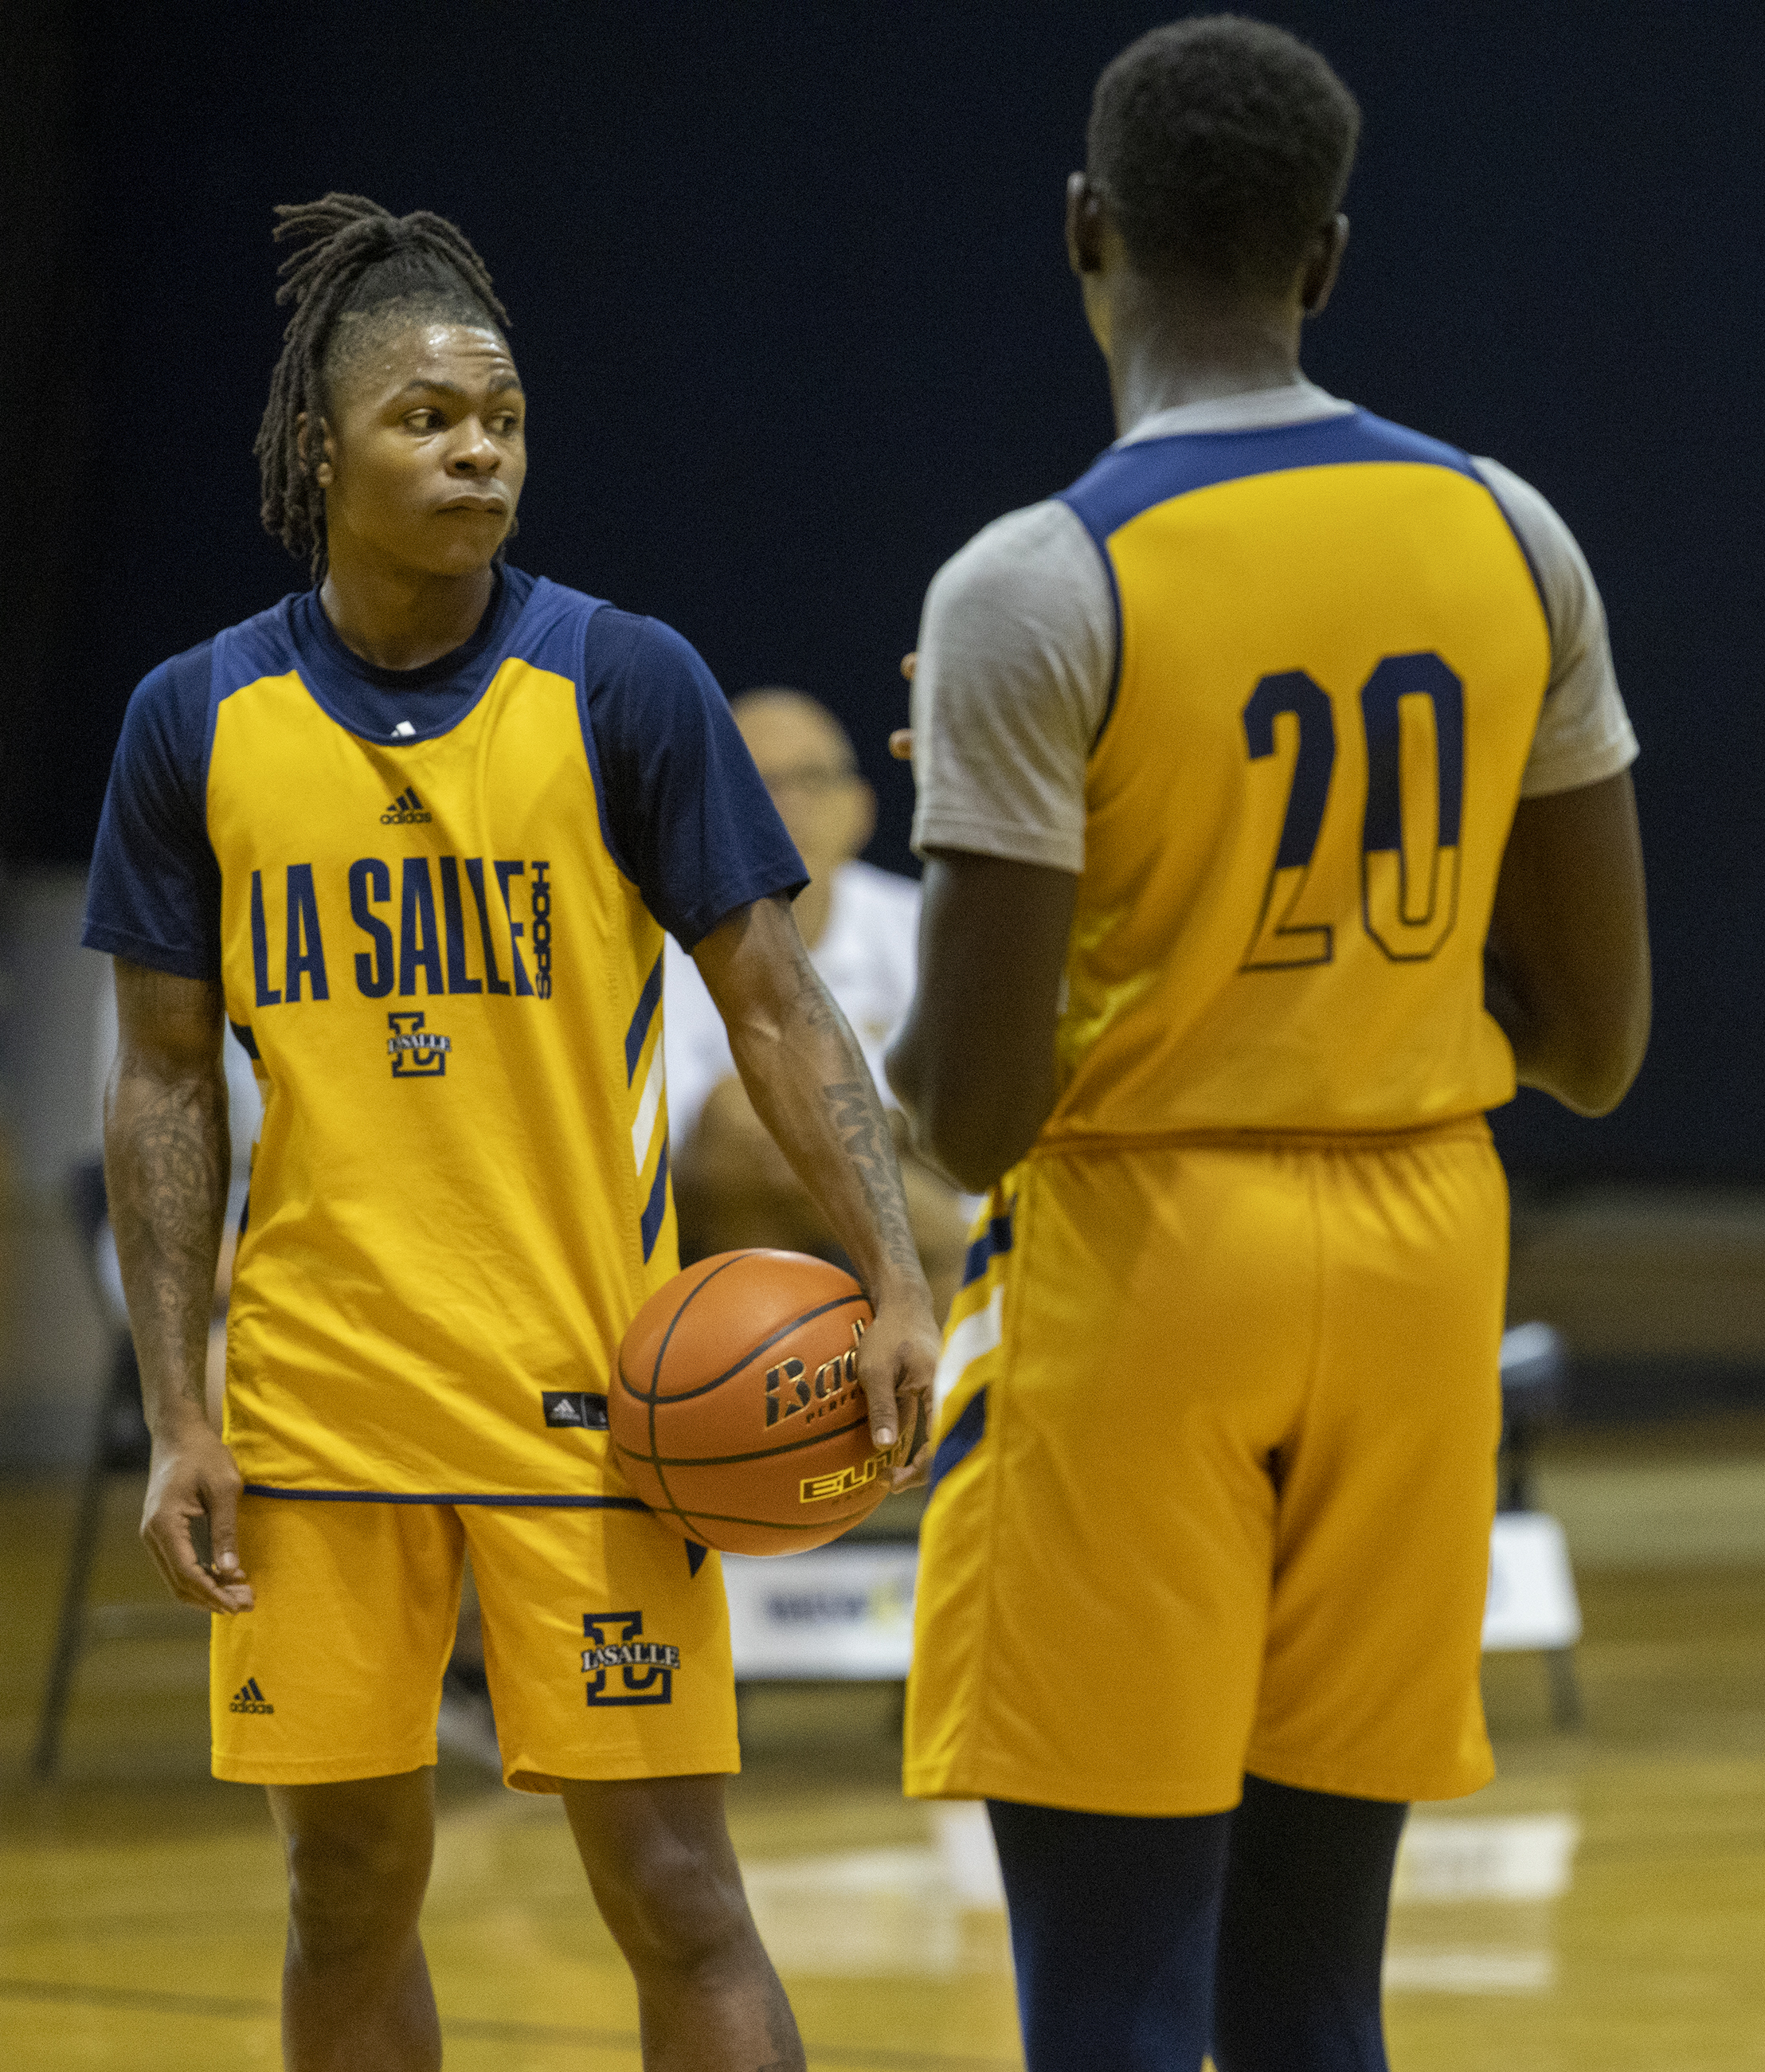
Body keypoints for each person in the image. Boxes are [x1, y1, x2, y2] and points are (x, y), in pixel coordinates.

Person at [85, 194, 940, 2072]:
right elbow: (158, 1087)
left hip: (595, 1388)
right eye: (428, 417)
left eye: (506, 417)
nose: (479, 447)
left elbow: (779, 1007)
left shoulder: (627, 682)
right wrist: (183, 1404)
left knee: (679, 1891)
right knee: (343, 1886)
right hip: (319, 1401)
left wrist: (894, 1274)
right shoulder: (194, 719)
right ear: (325, 451)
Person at [882, 18, 1650, 2068]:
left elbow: (969, 1107)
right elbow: (1596, 1041)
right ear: (1325, 257)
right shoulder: (1511, 532)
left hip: (1147, 1262)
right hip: (1419, 1260)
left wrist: (985, 867)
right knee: (1316, 1986)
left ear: (1084, 237)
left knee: (1119, 1987)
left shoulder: (1030, 588)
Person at [663, 686, 971, 1310]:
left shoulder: (925, 928)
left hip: (921, 1228)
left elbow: (972, 1138)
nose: (787, 806)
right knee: (741, 1154)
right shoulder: (653, 943)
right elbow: (699, 1142)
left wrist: (808, 1130)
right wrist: (882, 1132)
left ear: (860, 809)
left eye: (811, 779)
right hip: (705, 1240)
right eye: (755, 782)